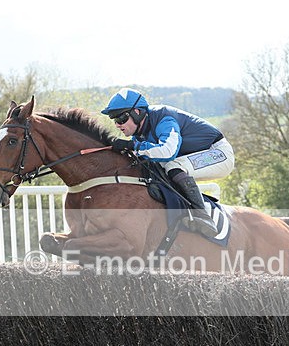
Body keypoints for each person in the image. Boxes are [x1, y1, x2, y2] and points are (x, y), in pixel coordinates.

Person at [101, 88, 235, 238]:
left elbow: (168, 151)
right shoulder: (139, 133)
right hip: (195, 155)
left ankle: (203, 216)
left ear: (137, 113)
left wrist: (134, 147)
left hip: (219, 153)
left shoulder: (164, 118)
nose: (118, 125)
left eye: (121, 119)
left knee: (173, 166)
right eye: (114, 121)